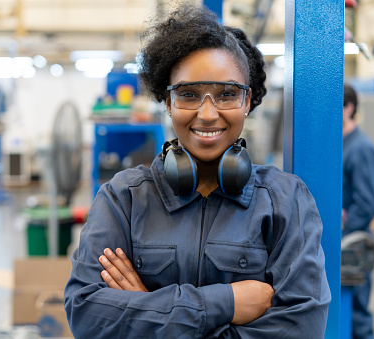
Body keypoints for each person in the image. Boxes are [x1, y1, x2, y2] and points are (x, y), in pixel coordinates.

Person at [64, 4, 331, 338]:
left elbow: (301, 328)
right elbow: (87, 314)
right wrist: (227, 302)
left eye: (227, 94)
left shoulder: (285, 200)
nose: (207, 114)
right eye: (189, 94)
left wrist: (150, 309)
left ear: (247, 102)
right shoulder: (124, 200)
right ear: (167, 100)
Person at [342, 83, 374, 339]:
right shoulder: (340, 144)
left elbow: (367, 205)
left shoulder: (361, 148)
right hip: (343, 239)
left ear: (349, 108)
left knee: (357, 318)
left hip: (354, 245)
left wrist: (343, 223)